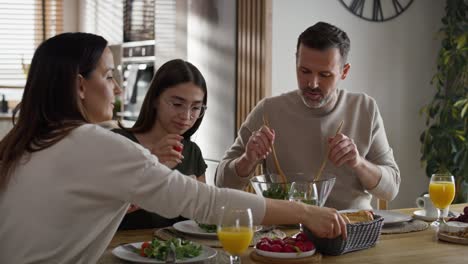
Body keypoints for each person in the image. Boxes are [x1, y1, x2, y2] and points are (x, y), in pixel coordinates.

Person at [0, 32, 346, 263]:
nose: (118, 89)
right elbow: (206, 202)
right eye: (108, 76)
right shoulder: (94, 143)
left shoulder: (22, 141)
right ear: (79, 86)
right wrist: (304, 212)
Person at [215, 21, 400, 210]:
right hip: (285, 233)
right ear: (296, 63)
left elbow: (391, 189)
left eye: (325, 75)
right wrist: (248, 159)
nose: (312, 83)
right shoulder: (268, 111)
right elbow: (221, 183)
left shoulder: (364, 108)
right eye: (304, 71)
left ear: (344, 72)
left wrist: (358, 162)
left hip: (353, 228)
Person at [113, 59, 208, 229]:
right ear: (155, 100)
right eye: (177, 104)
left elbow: (200, 215)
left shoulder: (192, 151)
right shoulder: (119, 143)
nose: (186, 116)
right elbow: (101, 210)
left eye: (195, 108)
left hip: (178, 253)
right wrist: (152, 164)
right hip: (119, 249)